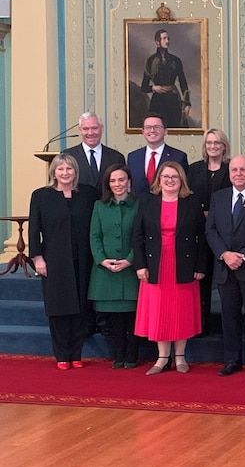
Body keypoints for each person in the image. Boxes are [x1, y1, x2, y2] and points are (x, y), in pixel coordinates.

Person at [133, 161, 207, 375]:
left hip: (183, 263)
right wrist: (140, 265)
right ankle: (162, 358)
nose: (170, 180)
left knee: (180, 310)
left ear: (181, 180)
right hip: (155, 263)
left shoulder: (191, 202)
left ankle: (181, 357)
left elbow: (201, 238)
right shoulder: (147, 202)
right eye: (165, 176)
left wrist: (200, 265)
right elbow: (137, 236)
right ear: (159, 180)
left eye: (174, 177)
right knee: (159, 311)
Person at [29, 153, 99, 369]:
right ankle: (61, 355)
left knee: (80, 306)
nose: (65, 173)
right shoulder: (41, 196)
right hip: (54, 260)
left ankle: (76, 354)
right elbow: (34, 229)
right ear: (54, 173)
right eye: (61, 169)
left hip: (83, 259)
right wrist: (38, 258)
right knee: (58, 307)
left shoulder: (87, 194)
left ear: (75, 172)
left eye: (69, 169)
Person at [205, 155, 245, 377]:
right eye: (234, 170)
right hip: (225, 268)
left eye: (243, 169)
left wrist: (241, 256)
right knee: (229, 317)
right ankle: (232, 360)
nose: (239, 174)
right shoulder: (218, 197)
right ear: (229, 173)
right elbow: (210, 230)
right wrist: (224, 254)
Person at [88, 164, 141, 369]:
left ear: (129, 182)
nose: (117, 184)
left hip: (132, 269)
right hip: (106, 271)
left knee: (132, 316)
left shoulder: (139, 204)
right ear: (107, 184)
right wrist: (102, 260)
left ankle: (132, 355)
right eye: (113, 180)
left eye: (121, 180)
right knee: (114, 318)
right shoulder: (99, 206)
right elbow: (94, 236)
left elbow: (143, 236)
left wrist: (130, 259)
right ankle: (118, 355)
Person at [187, 128, 231, 335]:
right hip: (197, 232)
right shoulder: (194, 169)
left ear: (224, 146)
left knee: (225, 281)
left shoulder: (231, 169)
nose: (212, 146)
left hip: (224, 232)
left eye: (217, 142)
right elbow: (186, 196)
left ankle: (227, 326)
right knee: (201, 280)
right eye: (209, 143)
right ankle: (200, 325)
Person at [127, 113, 189, 196]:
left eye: (156, 127)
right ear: (143, 132)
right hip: (138, 207)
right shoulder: (133, 157)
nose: (152, 130)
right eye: (148, 127)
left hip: (166, 206)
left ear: (165, 131)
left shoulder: (179, 157)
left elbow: (183, 187)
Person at [140, 29, 191, 128]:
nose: (167, 41)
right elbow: (143, 87)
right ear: (157, 42)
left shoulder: (176, 60)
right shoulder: (150, 61)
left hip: (173, 100)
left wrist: (187, 104)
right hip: (157, 102)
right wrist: (154, 88)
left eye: (168, 38)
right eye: (164, 38)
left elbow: (183, 82)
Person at [62, 112, 126, 189]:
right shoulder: (67, 156)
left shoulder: (116, 157)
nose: (90, 133)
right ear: (80, 130)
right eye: (86, 129)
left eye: (94, 128)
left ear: (102, 128)